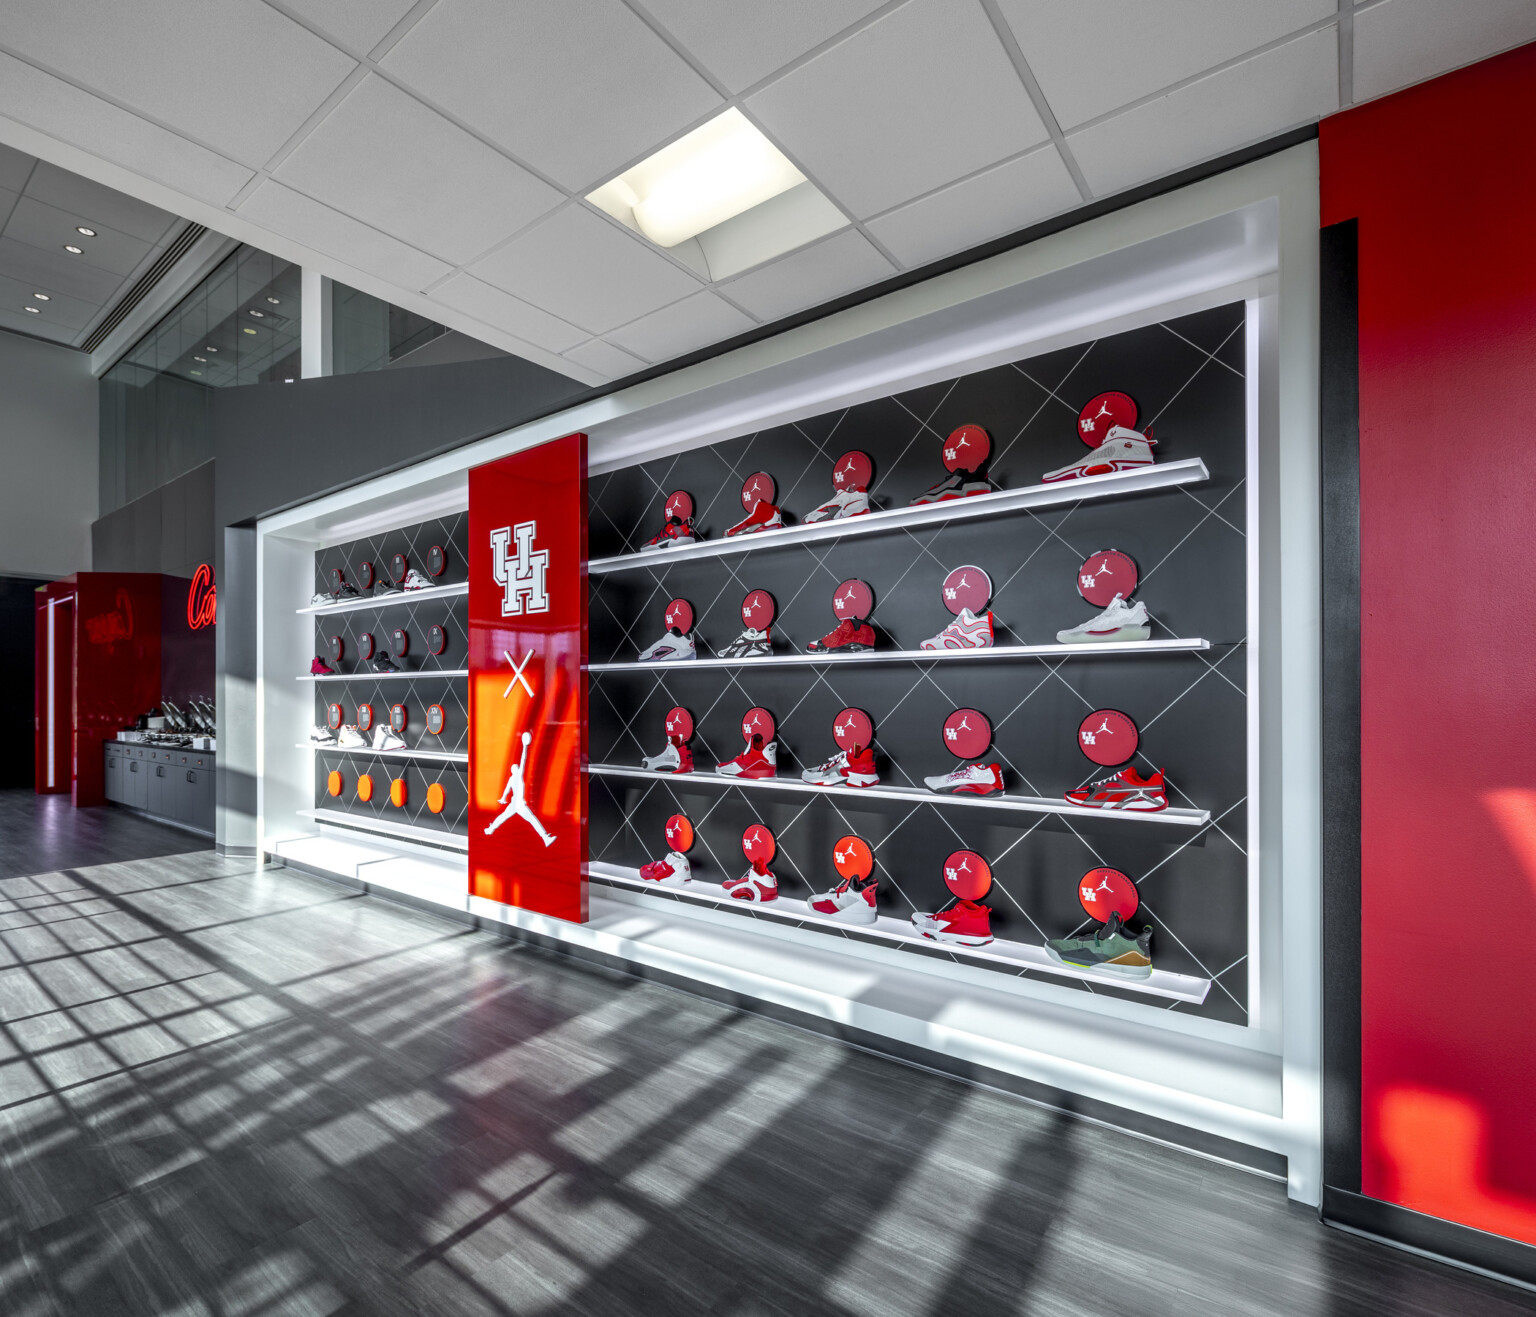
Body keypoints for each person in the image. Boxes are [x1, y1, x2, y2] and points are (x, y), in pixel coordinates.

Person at [484, 731, 556, 847]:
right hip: (519, 805)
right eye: (516, 767)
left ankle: (490, 829)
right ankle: (545, 838)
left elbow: (507, 790)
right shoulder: (518, 775)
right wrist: (524, 746)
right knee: (532, 819)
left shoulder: (512, 778)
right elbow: (523, 759)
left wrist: (503, 798)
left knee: (503, 817)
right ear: (515, 770)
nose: (518, 766)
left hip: (514, 803)